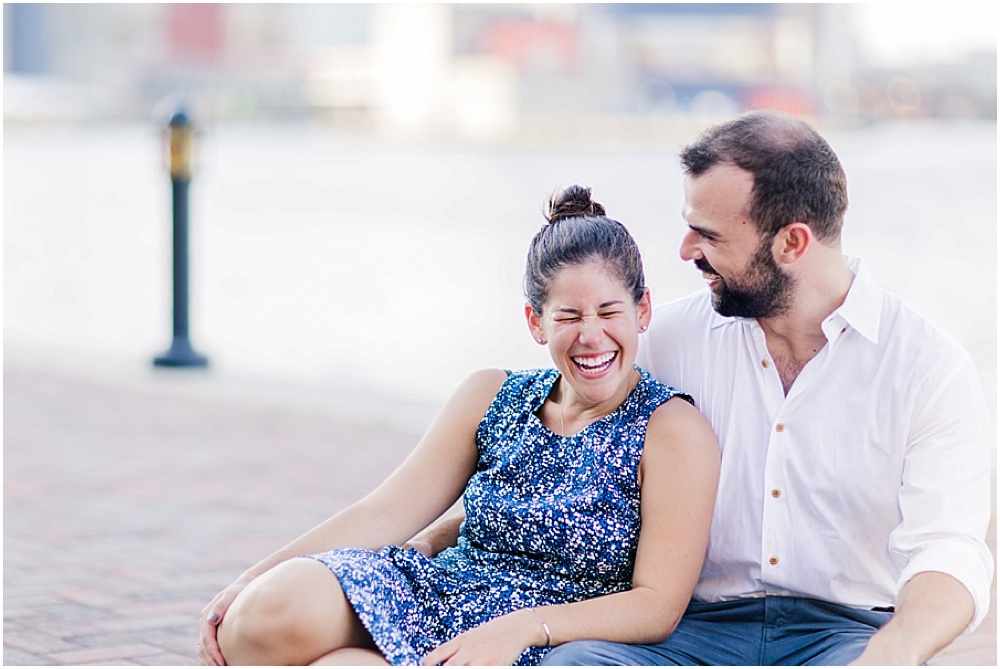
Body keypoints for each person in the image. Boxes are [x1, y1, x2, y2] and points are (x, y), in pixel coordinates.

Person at [414, 111, 994, 666]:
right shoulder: (666, 339)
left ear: (792, 243)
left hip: (849, 633)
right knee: (577, 663)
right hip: (688, 631)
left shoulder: (926, 367)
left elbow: (948, 550)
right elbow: (557, 455)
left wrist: (892, 654)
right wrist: (447, 533)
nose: (686, 251)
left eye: (706, 234)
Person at [196, 185, 720, 666]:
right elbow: (381, 515)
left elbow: (657, 606)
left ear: (642, 310)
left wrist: (523, 629)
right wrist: (249, 579)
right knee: (257, 619)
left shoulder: (671, 428)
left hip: (538, 634)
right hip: (437, 589)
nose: (592, 336)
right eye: (568, 317)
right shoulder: (491, 394)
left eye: (609, 312)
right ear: (535, 322)